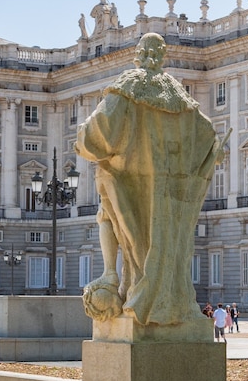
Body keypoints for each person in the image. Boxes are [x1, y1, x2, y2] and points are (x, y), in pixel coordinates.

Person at [76, 33, 228, 326]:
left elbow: (100, 131)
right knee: (165, 250)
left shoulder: (129, 85)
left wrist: (83, 135)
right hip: (169, 195)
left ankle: (113, 276)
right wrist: (212, 152)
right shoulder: (177, 94)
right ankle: (167, 304)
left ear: (138, 54)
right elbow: (206, 133)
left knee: (111, 219)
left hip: (130, 186)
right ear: (162, 55)